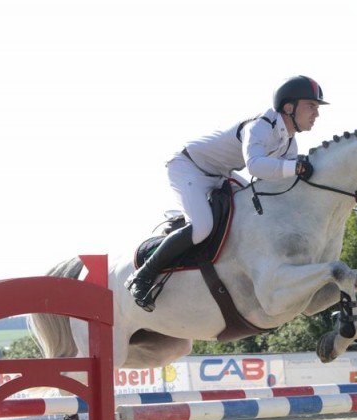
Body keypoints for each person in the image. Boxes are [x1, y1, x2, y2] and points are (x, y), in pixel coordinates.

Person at [126, 75, 329, 311]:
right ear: (288, 107)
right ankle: (142, 276)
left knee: (252, 211)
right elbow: (255, 166)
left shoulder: (288, 142)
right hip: (189, 168)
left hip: (221, 173)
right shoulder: (259, 126)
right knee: (202, 228)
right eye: (311, 106)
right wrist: (295, 167)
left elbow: (277, 182)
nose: (317, 114)